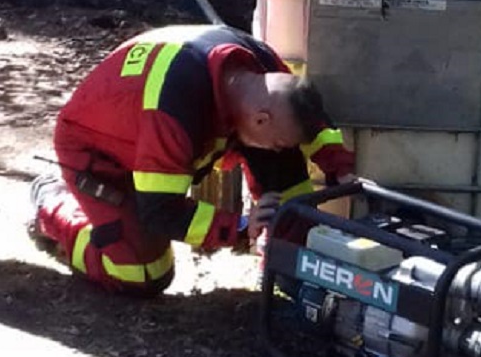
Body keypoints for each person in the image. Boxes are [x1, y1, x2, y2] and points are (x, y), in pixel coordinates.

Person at [27, 24, 355, 296]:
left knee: (286, 174)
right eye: (280, 142)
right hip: (101, 153)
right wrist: (240, 227)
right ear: (260, 119)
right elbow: (160, 211)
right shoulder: (174, 110)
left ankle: (287, 263)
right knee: (142, 274)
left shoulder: (263, 67)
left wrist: (339, 166)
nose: (282, 149)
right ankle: (53, 207)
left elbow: (308, 115)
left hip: (175, 123)